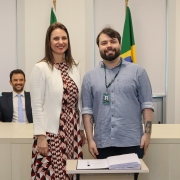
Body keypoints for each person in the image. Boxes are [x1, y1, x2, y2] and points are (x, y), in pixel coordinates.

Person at [81, 27, 154, 180]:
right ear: (99, 47)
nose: (109, 45)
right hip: (102, 143)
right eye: (104, 42)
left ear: (120, 45)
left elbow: (147, 105)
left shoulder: (138, 72)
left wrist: (147, 134)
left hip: (131, 141)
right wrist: (90, 139)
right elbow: (87, 110)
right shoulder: (89, 77)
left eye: (113, 41)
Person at [30, 22, 86, 180]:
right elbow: (36, 104)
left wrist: (81, 129)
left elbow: (78, 102)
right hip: (52, 132)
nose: (61, 42)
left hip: (73, 130)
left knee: (71, 173)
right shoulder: (41, 68)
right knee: (52, 174)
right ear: (49, 42)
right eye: (56, 38)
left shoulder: (74, 67)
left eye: (64, 38)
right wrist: (40, 135)